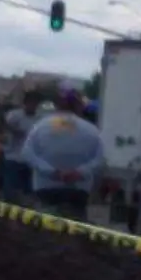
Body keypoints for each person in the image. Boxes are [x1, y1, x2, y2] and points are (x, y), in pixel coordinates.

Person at [19, 90, 105, 220]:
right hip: (78, 189)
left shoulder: (40, 126)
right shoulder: (92, 130)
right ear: (80, 106)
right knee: (75, 229)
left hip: (46, 186)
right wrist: (80, 172)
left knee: (46, 229)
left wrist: (52, 172)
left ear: (57, 105)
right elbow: (100, 159)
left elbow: (27, 153)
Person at [1, 90, 43, 200]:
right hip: (13, 157)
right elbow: (4, 127)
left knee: (29, 193)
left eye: (35, 103)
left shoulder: (39, 119)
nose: (32, 106)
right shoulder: (14, 115)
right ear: (25, 103)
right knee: (10, 191)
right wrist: (15, 130)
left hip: (30, 160)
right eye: (30, 103)